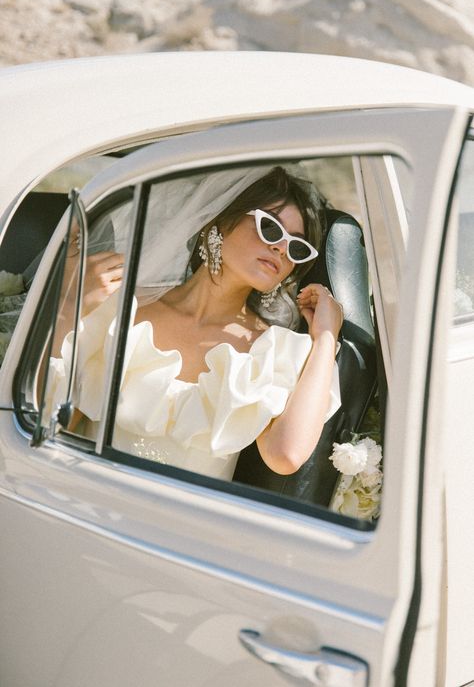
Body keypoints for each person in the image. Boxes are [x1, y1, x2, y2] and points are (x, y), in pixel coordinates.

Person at [47, 165, 343, 481]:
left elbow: (286, 455)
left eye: (297, 247)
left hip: (186, 525)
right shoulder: (124, 309)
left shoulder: (274, 351)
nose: (281, 248)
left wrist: (326, 336)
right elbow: (52, 420)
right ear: (219, 222)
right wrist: (69, 307)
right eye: (270, 228)